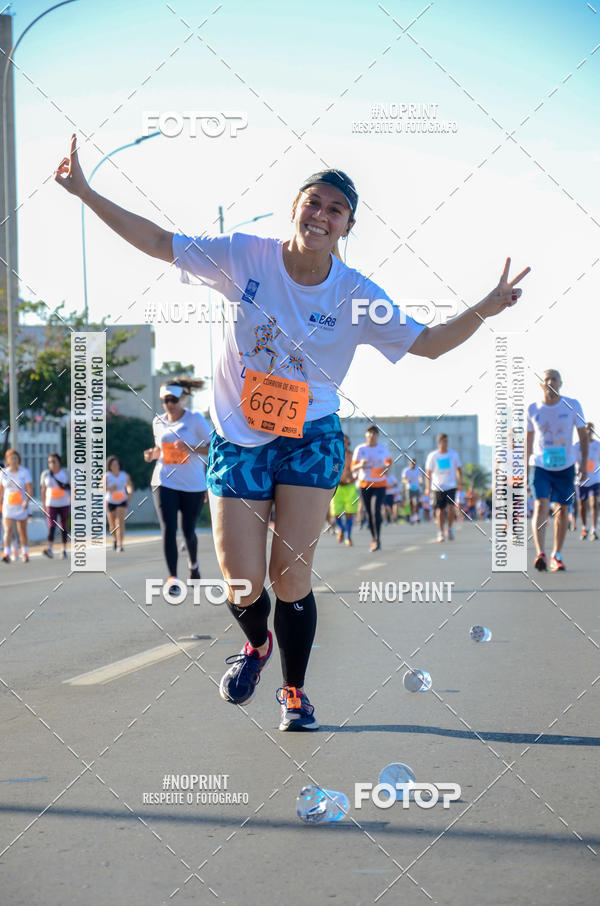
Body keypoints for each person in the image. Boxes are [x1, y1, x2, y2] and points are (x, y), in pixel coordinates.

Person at [56, 136, 529, 730]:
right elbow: (157, 242)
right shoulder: (246, 256)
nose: (322, 215)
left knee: (291, 575)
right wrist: (86, 191)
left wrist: (485, 307)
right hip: (237, 436)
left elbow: (429, 345)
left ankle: (295, 694)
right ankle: (256, 646)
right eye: (314, 203)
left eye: (336, 210)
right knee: (244, 581)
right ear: (295, 209)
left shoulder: (357, 295)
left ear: (347, 226)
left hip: (311, 438)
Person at [143, 380, 211, 589]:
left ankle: (193, 565)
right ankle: (172, 577)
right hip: (164, 480)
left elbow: (212, 448)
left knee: (188, 530)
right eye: (165, 400)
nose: (169, 404)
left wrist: (190, 446)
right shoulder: (158, 422)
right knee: (168, 529)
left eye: (173, 400)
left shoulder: (195, 420)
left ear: (182, 399)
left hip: (192, 484)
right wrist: (151, 454)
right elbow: (158, 448)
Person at [527, 369, 587, 571]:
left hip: (566, 466)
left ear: (560, 383)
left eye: (554, 378)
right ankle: (540, 553)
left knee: (562, 510)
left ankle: (556, 555)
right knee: (540, 505)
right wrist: (525, 469)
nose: (551, 381)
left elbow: (583, 435)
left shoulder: (572, 405)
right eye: (547, 379)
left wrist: (584, 465)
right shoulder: (533, 409)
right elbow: (528, 441)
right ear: (541, 384)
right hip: (540, 465)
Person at [352, 425, 392, 552]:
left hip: (379, 484)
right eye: (369, 433)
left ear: (377, 436)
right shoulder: (360, 449)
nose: (371, 435)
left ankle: (377, 540)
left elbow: (389, 462)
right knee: (369, 513)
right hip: (364, 484)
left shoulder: (383, 449)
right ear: (366, 435)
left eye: (374, 433)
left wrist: (387, 468)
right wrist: (360, 465)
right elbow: (353, 468)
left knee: (376, 511)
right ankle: (374, 538)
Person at [425, 434, 462, 542]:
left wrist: (460, 482)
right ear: (439, 442)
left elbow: (458, 469)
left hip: (451, 485)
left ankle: (450, 529)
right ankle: (440, 532)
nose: (446, 443)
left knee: (451, 508)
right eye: (443, 441)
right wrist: (427, 487)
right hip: (437, 487)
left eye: (447, 441)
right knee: (440, 510)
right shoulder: (433, 456)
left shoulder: (453, 454)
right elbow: (428, 472)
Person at [0, 449, 32, 563]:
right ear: (7, 460)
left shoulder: (24, 472)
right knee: (8, 529)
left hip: (21, 505)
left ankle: (25, 553)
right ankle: (6, 553)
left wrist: (26, 501)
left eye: (15, 458)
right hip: (8, 506)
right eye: (11, 458)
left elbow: (29, 489)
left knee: (22, 530)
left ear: (18, 459)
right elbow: (1, 490)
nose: (13, 460)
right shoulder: (4, 472)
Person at [330, 434, 358, 546]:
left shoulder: (353, 456)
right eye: (342, 441)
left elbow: (358, 468)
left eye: (346, 441)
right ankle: (341, 529)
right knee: (336, 513)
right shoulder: (335, 456)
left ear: (348, 443)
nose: (344, 443)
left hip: (350, 487)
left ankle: (348, 537)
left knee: (349, 514)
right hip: (338, 487)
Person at [40, 452, 70, 558]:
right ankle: (50, 548)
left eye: (54, 461)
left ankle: (64, 549)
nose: (51, 464)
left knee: (63, 525)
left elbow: (73, 487)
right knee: (51, 526)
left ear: (59, 462)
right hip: (51, 504)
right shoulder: (46, 474)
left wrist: (72, 498)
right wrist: (43, 505)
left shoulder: (66, 473)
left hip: (64, 503)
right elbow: (43, 491)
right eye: (49, 462)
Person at [574, 421, 599, 541]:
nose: (589, 432)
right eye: (587, 429)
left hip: (595, 479)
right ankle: (585, 527)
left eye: (591, 429)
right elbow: (571, 462)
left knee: (594, 503)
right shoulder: (577, 446)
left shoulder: (598, 445)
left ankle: (594, 529)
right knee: (581, 505)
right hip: (580, 480)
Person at [105, 456, 134, 552]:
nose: (115, 466)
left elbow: (129, 485)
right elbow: (100, 488)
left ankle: (120, 544)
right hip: (110, 501)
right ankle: (115, 539)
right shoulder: (107, 476)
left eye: (116, 464)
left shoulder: (124, 475)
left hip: (122, 500)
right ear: (109, 466)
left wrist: (129, 493)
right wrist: (109, 488)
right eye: (113, 464)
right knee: (112, 526)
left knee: (120, 522)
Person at [401, 458, 422, 522]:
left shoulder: (418, 470)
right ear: (409, 463)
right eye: (411, 463)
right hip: (409, 488)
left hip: (416, 488)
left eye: (413, 463)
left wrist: (421, 481)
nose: (412, 464)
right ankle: (409, 515)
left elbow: (420, 477)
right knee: (409, 503)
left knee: (416, 502)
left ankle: (416, 516)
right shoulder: (406, 470)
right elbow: (403, 479)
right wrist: (406, 481)